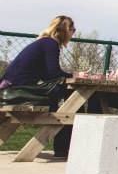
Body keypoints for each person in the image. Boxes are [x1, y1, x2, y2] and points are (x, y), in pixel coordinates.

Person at [0, 16, 76, 157]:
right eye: (73, 30)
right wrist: (74, 76)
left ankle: (62, 148)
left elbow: (48, 75)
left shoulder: (43, 42)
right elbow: (54, 74)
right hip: (17, 91)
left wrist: (70, 75)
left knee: (64, 104)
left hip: (10, 89)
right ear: (65, 30)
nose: (73, 34)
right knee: (69, 103)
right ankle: (62, 149)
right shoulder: (51, 44)